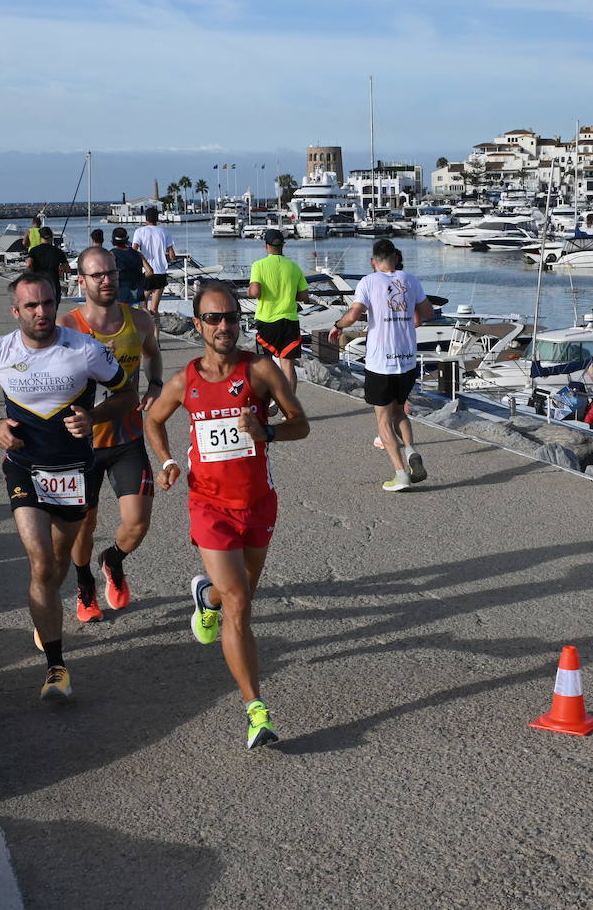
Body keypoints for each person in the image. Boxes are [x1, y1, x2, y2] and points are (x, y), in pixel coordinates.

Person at [146, 279, 310, 749]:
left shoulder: (260, 369)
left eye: (232, 317)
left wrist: (267, 432)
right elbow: (153, 418)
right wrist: (168, 461)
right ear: (197, 325)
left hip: (258, 503)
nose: (224, 326)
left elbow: (300, 424)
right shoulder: (186, 380)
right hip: (209, 505)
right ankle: (256, 710)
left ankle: (208, 596)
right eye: (213, 318)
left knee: (240, 594)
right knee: (240, 602)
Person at [0, 272, 136, 701]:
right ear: (15, 311)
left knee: (57, 564)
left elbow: (127, 395)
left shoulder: (86, 349)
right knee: (41, 564)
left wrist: (92, 418)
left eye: (48, 303)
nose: (41, 312)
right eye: (32, 306)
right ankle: (56, 668)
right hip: (24, 467)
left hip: (74, 471)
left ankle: (47, 613)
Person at [60, 247, 163, 622]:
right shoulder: (67, 328)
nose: (107, 280)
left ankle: (113, 560)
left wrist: (155, 383)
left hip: (126, 438)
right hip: (81, 445)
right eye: (98, 275)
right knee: (83, 525)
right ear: (81, 281)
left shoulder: (140, 320)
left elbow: (152, 353)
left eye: (112, 274)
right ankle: (85, 584)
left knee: (137, 523)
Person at [329, 240, 436, 491]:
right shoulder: (411, 280)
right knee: (400, 412)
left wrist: (338, 325)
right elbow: (428, 314)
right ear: (396, 258)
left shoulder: (368, 281)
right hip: (406, 361)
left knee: (383, 420)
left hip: (380, 363)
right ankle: (411, 452)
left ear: (373, 261)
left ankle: (401, 475)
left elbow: (353, 315)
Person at [248, 228, 309, 397]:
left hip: (267, 321)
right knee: (288, 366)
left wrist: (249, 291)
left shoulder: (259, 265)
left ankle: (266, 403)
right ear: (283, 245)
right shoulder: (294, 267)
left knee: (265, 365)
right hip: (290, 320)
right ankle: (289, 407)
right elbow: (304, 296)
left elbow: (255, 292)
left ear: (266, 245)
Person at [131, 207, 176, 315]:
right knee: (154, 309)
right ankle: (156, 326)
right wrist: (165, 259)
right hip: (160, 273)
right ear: (157, 218)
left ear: (146, 218)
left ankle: (145, 325)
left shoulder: (139, 231)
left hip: (146, 273)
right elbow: (172, 255)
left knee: (142, 307)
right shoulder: (165, 232)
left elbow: (133, 250)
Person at [26, 226, 71, 301]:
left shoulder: (34, 250)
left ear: (40, 237)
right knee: (53, 305)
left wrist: (32, 274)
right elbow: (67, 269)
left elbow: (29, 264)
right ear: (52, 237)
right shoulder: (58, 251)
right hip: (53, 283)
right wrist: (61, 270)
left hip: (39, 282)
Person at [110, 227, 149, 306]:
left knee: (122, 313)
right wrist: (140, 278)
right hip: (137, 292)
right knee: (136, 312)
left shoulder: (112, 254)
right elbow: (149, 271)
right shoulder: (137, 253)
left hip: (122, 292)